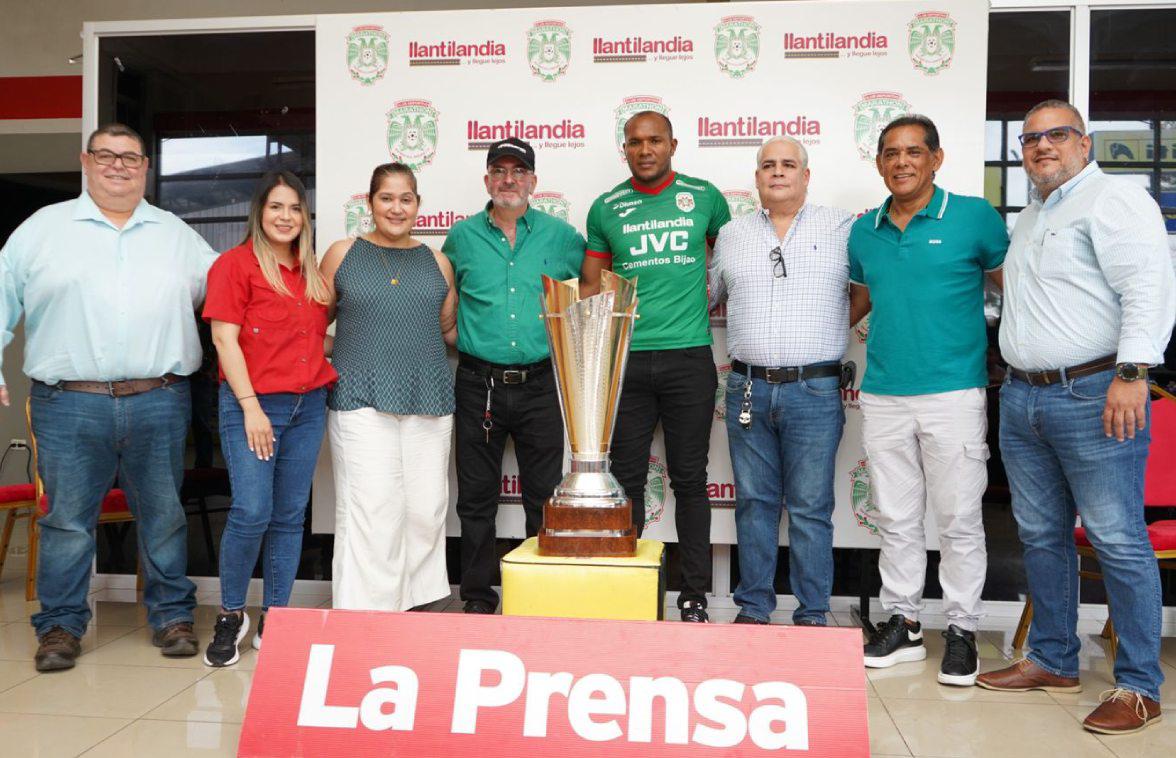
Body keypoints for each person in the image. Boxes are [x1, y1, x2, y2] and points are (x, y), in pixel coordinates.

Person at [977, 100, 1176, 734]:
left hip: (1095, 392)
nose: (1041, 146)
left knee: (1117, 538)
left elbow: (1147, 287)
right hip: (1023, 397)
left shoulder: (1114, 201)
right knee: (1040, 535)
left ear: (1084, 143)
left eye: (1057, 135)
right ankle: (1053, 658)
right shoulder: (1034, 215)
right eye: (1030, 139)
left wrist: (1132, 373)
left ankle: (1139, 686)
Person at [0, 123, 216, 671]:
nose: (118, 165)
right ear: (85, 161)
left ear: (145, 168)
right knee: (67, 522)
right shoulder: (41, 231)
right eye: (106, 155)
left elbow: (230, 297)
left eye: (130, 157)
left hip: (159, 399)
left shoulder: (177, 235)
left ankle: (172, 616)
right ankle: (59, 627)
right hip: (68, 403)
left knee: (164, 515)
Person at [848, 115, 1007, 684]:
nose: (902, 162)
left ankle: (962, 628)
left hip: (954, 392)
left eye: (914, 152)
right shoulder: (864, 231)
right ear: (879, 163)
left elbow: (1018, 291)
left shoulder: (973, 217)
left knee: (959, 518)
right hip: (884, 394)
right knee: (896, 518)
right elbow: (857, 303)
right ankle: (905, 623)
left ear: (936, 159)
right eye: (891, 153)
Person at [581, 112, 731, 622]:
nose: (645, 150)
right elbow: (590, 288)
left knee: (690, 478)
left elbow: (732, 265)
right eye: (635, 142)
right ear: (624, 148)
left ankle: (694, 595)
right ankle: (626, 589)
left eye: (655, 141)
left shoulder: (704, 197)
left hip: (689, 357)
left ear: (673, 144)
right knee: (625, 480)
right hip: (626, 361)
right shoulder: (606, 207)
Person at [709, 136, 853, 626]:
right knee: (754, 504)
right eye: (767, 165)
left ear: (805, 176)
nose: (777, 172)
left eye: (788, 164)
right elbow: (707, 296)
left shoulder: (842, 227)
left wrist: (830, 331)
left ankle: (813, 614)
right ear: (756, 178)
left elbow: (867, 290)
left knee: (811, 507)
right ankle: (754, 608)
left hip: (814, 389)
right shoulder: (732, 234)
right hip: (747, 388)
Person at [442, 138, 585, 614]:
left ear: (533, 181)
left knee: (543, 497)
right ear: (487, 180)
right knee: (476, 499)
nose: (509, 179)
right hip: (476, 383)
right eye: (499, 171)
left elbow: (591, 296)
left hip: (540, 383)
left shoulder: (563, 238)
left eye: (518, 171)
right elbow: (444, 302)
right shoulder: (460, 238)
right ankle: (478, 597)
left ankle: (536, 596)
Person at [201, 171, 336, 666]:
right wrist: (251, 406)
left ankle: (275, 616)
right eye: (276, 206)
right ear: (259, 211)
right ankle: (230, 614)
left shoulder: (311, 273)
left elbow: (312, 338)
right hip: (253, 406)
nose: (286, 216)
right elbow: (224, 339)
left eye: (295, 208)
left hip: (308, 406)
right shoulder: (234, 265)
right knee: (251, 511)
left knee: (288, 516)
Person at [320, 163, 457, 612]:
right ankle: (366, 614)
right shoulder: (342, 254)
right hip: (359, 397)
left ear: (418, 204)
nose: (396, 208)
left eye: (406, 199)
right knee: (372, 509)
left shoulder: (437, 262)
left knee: (425, 509)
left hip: (429, 398)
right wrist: (349, 350)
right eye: (386, 198)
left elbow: (447, 330)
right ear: (370, 202)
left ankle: (418, 604)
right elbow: (311, 327)